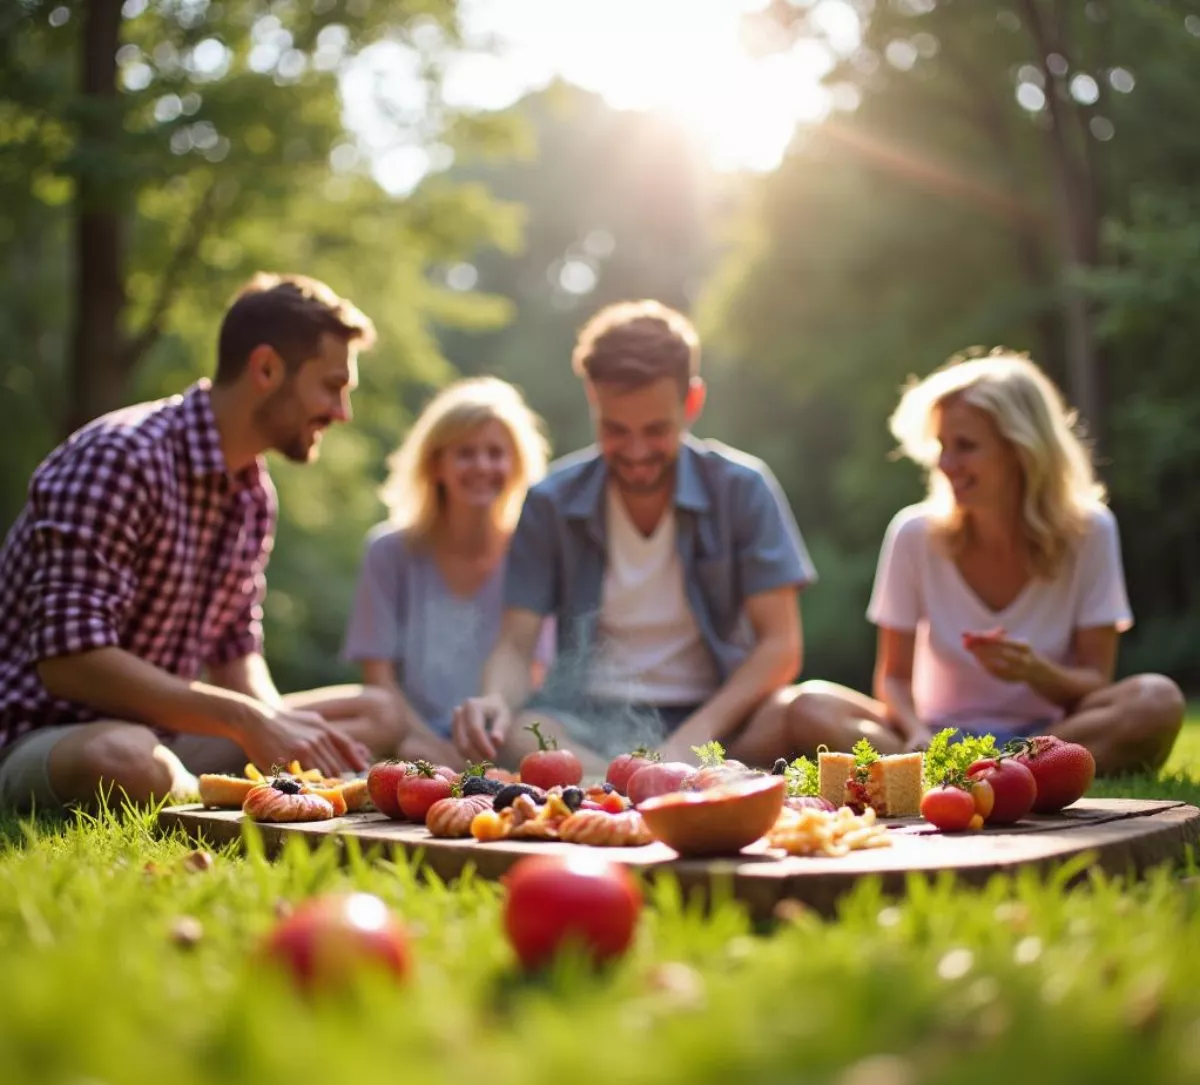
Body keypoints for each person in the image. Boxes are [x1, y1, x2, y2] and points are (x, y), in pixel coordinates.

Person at [0, 272, 404, 813]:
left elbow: (236, 653)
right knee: (125, 758)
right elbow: (70, 661)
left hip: (166, 730)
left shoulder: (254, 494)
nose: (341, 412)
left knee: (378, 711)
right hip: (49, 736)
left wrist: (283, 733)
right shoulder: (119, 457)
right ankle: (214, 798)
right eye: (332, 386)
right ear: (266, 369)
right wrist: (247, 720)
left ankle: (229, 787)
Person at [451, 299, 819, 777]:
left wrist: (692, 740)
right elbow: (517, 645)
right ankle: (629, 785)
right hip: (588, 720)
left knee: (812, 708)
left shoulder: (743, 488)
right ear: (592, 397)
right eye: (615, 430)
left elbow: (780, 646)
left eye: (656, 430)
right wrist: (494, 700)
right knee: (523, 731)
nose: (637, 452)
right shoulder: (550, 502)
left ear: (692, 401)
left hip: (718, 721)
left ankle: (615, 785)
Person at [787, 350, 1185, 774]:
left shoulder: (1090, 531)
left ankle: (995, 771)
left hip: (1051, 735)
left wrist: (1034, 671)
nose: (945, 464)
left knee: (1156, 700)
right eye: (941, 446)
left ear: (1022, 450)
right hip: (934, 737)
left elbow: (1094, 681)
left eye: (965, 447)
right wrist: (916, 730)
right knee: (810, 706)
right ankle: (992, 775)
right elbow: (894, 679)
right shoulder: (913, 533)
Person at [341, 377, 552, 768]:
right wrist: (431, 749)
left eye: (495, 453)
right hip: (407, 739)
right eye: (466, 453)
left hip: (500, 740)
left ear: (517, 464)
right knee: (372, 718)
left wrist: (485, 747)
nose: (482, 466)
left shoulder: (534, 554)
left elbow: (532, 675)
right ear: (436, 464)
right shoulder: (388, 552)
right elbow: (379, 679)